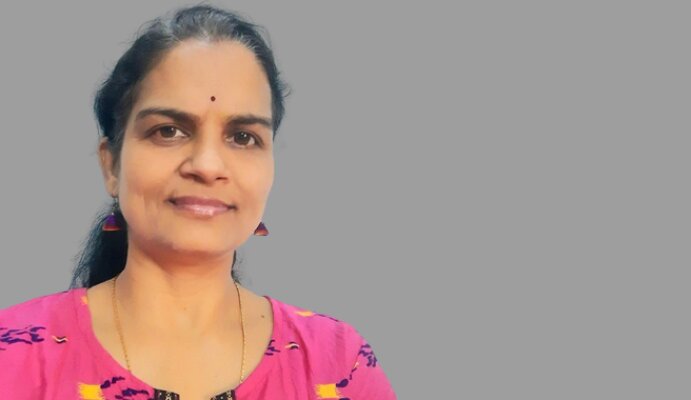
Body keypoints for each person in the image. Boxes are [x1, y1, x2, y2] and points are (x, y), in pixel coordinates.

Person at [0, 4, 396, 399]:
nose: (207, 166)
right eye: (168, 131)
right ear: (111, 165)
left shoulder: (338, 364)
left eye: (243, 137)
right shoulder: (14, 355)